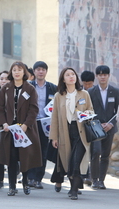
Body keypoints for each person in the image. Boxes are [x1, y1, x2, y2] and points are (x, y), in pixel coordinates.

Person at [0, 61, 42, 196]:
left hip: (25, 129)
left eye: (20, 70)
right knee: (11, 158)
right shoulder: (6, 88)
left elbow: (34, 109)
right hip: (9, 130)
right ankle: (12, 186)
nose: (17, 72)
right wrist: (4, 123)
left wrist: (26, 125)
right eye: (14, 69)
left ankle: (26, 183)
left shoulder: (30, 89)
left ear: (24, 72)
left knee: (25, 157)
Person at [50, 67, 93, 200]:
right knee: (68, 160)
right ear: (63, 79)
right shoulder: (59, 96)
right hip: (65, 131)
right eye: (67, 75)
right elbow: (55, 117)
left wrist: (85, 114)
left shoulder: (84, 94)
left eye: (73, 74)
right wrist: (54, 137)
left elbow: (91, 111)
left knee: (76, 160)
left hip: (80, 131)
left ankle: (74, 190)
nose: (71, 77)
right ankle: (73, 186)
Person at [88, 65, 119, 189]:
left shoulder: (115, 91)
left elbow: (117, 111)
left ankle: (101, 180)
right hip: (96, 128)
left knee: (106, 154)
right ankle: (94, 179)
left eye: (105, 75)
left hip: (110, 127)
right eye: (100, 75)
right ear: (96, 76)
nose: (102, 77)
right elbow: (88, 110)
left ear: (108, 76)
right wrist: (97, 123)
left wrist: (111, 123)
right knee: (96, 152)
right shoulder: (91, 92)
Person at [27, 61, 57, 189]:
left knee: (43, 151)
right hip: (30, 123)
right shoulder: (28, 86)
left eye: (43, 69)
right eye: (38, 69)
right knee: (30, 151)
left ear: (46, 72)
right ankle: (30, 177)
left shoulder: (52, 88)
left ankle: (38, 178)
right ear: (34, 72)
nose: (40, 72)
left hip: (46, 124)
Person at [80, 70, 95, 186]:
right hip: (80, 126)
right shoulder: (78, 91)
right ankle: (83, 175)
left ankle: (90, 175)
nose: (87, 86)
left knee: (93, 151)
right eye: (85, 83)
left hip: (93, 126)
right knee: (82, 151)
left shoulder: (95, 92)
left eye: (89, 84)